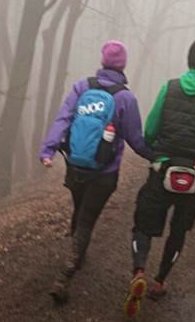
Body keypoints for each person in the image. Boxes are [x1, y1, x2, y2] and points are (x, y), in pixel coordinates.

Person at [124, 38, 195, 318]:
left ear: (188, 60)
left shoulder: (170, 86)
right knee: (179, 231)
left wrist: (154, 150)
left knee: (143, 223)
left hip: (163, 167)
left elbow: (151, 127)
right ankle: (160, 281)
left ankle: (139, 270)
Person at [40, 40, 153, 303]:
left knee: (79, 211)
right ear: (123, 65)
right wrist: (156, 155)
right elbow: (136, 139)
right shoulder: (125, 97)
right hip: (104, 172)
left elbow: (63, 118)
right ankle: (66, 274)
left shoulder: (82, 87)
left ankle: (78, 252)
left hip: (76, 165)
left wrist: (48, 150)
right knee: (87, 219)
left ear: (102, 62)